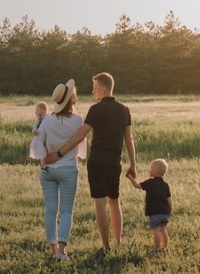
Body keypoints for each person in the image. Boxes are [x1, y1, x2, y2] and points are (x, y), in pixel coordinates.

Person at [45, 72, 136, 253]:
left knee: (100, 203)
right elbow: (129, 140)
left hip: (97, 162)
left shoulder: (96, 109)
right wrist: (133, 164)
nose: (93, 91)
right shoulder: (124, 109)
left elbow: (80, 135)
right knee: (114, 202)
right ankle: (118, 244)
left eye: (94, 88)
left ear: (103, 88)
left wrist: (60, 152)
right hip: (114, 162)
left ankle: (106, 247)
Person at [31, 79, 87, 261]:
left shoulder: (46, 121)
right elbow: (80, 146)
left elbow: (38, 143)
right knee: (66, 211)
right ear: (72, 100)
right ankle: (62, 251)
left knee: (50, 210)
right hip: (69, 169)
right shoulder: (78, 120)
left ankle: (53, 250)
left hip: (48, 170)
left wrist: (43, 163)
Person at [126, 158, 172, 253]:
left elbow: (137, 185)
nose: (149, 170)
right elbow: (169, 198)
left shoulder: (150, 183)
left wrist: (130, 177)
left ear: (155, 171)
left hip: (155, 212)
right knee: (163, 230)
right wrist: (170, 210)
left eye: (150, 168)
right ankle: (165, 248)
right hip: (164, 213)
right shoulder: (165, 185)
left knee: (156, 230)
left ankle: (157, 248)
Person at [28, 101, 49, 165]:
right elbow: (34, 130)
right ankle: (43, 166)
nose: (42, 117)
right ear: (36, 113)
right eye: (40, 115)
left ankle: (49, 164)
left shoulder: (47, 120)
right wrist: (34, 131)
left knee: (48, 153)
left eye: (44, 115)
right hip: (40, 140)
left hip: (47, 139)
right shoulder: (37, 123)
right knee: (42, 155)